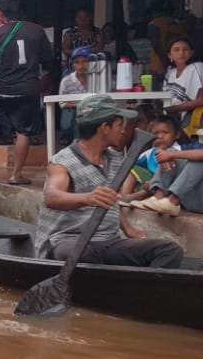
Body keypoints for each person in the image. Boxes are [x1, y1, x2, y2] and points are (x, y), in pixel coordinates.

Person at [34, 94, 182, 267]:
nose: (123, 131)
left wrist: (128, 229)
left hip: (108, 242)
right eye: (119, 125)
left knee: (170, 251)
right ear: (105, 127)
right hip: (67, 243)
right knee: (81, 255)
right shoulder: (62, 161)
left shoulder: (115, 159)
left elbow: (109, 199)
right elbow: (52, 197)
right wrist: (87, 198)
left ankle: (141, 291)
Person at [0, 0, 54, 185]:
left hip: (1, 88)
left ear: (2, 14)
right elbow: (48, 60)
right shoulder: (37, 31)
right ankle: (16, 174)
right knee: (24, 131)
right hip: (28, 88)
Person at [130, 127, 203, 217]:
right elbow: (168, 152)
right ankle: (158, 198)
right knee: (170, 151)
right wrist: (167, 155)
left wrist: (170, 155)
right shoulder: (197, 145)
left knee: (198, 160)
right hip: (194, 199)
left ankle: (172, 202)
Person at [121, 114, 181, 202]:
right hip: (148, 185)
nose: (160, 136)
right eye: (156, 133)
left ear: (177, 135)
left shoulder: (178, 152)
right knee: (132, 168)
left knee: (155, 183)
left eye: (165, 132)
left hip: (167, 186)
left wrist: (154, 181)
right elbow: (133, 165)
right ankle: (124, 195)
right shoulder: (150, 152)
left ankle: (137, 196)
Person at [162, 37, 203, 142]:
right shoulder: (170, 72)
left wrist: (174, 109)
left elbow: (200, 100)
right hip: (172, 114)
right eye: (176, 50)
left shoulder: (196, 67)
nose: (181, 53)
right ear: (169, 55)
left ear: (191, 53)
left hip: (189, 116)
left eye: (185, 49)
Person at [56, 47, 92, 142]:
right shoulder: (66, 81)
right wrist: (80, 106)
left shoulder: (96, 77)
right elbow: (62, 103)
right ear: (73, 64)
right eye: (77, 62)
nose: (81, 65)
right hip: (76, 115)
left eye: (85, 61)